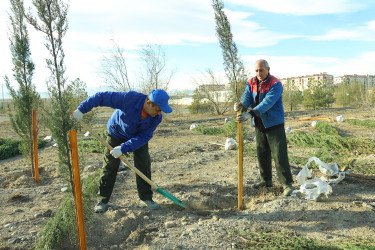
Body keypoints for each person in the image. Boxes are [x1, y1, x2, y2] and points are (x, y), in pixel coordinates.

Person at [72, 89, 173, 212]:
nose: (159, 113)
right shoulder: (129, 99)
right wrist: (81, 109)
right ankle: (102, 200)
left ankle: (146, 197)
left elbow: (144, 137)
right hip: (116, 132)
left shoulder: (156, 118)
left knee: (144, 164)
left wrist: (123, 148)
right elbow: (101, 96)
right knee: (110, 165)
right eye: (158, 109)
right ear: (148, 103)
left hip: (137, 138)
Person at [234, 59, 294, 196]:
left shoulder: (276, 84)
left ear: (268, 69)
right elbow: (247, 97)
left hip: (274, 123)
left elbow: (267, 103)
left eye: (261, 70)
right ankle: (266, 180)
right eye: (256, 70)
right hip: (259, 123)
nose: (259, 73)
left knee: (279, 154)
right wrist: (241, 105)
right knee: (262, 153)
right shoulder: (251, 82)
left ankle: (287, 184)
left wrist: (250, 114)